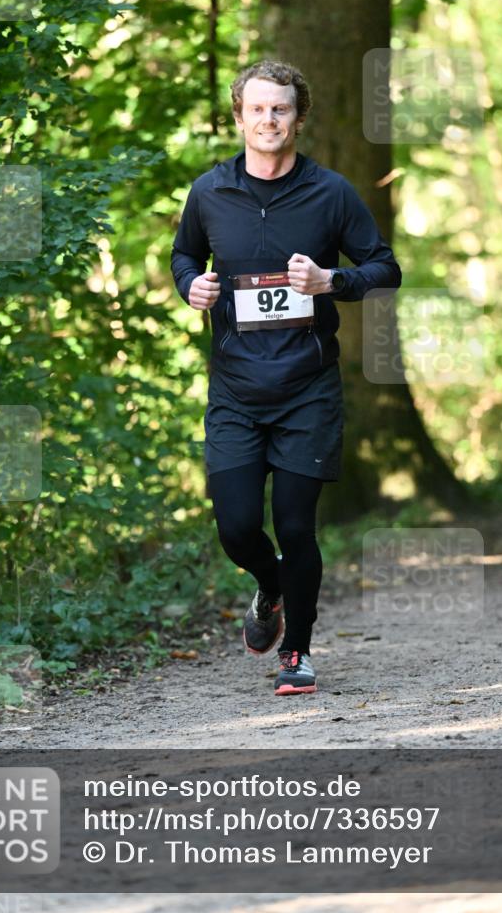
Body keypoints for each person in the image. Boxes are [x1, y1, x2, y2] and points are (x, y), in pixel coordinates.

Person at [170, 60, 401, 695]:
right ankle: (271, 585)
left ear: (298, 119)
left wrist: (333, 280)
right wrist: (191, 285)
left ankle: (296, 650)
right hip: (236, 391)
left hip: (308, 389)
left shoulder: (331, 193)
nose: (269, 119)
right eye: (258, 109)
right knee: (237, 526)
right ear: (239, 117)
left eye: (281, 109)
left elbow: (385, 268)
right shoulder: (209, 192)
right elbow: (185, 253)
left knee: (297, 526)